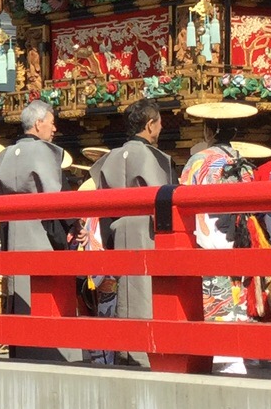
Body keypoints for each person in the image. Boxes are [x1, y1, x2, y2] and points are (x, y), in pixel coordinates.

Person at [0, 100, 69, 360]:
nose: (54, 128)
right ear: (38, 123)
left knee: (18, 291)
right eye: (51, 122)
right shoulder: (44, 152)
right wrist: (71, 225)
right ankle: (48, 349)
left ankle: (20, 347)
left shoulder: (5, 154)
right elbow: (56, 197)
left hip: (11, 230)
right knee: (41, 289)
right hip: (37, 230)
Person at [177, 101, 261, 341]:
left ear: (208, 131)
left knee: (215, 290)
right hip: (239, 234)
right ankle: (241, 345)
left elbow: (183, 198)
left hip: (210, 234)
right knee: (238, 288)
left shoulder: (199, 160)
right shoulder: (244, 162)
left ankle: (225, 351)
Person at [93, 100, 173, 331]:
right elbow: (165, 200)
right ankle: (144, 354)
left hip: (116, 229)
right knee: (146, 294)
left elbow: (102, 206)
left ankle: (128, 350)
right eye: (159, 123)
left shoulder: (110, 158)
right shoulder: (154, 157)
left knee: (125, 294)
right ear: (150, 125)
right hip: (146, 231)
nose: (160, 128)